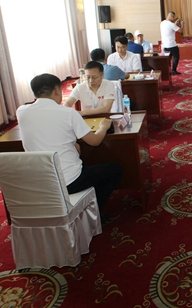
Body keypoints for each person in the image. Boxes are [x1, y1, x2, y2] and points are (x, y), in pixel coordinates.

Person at [16, 74, 123, 219]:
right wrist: (103, 127)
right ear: (56, 90)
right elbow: (95, 141)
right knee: (115, 170)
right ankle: (93, 214)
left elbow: (46, 129)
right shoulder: (68, 113)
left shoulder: (21, 111)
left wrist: (72, 143)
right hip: (69, 182)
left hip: (39, 181)